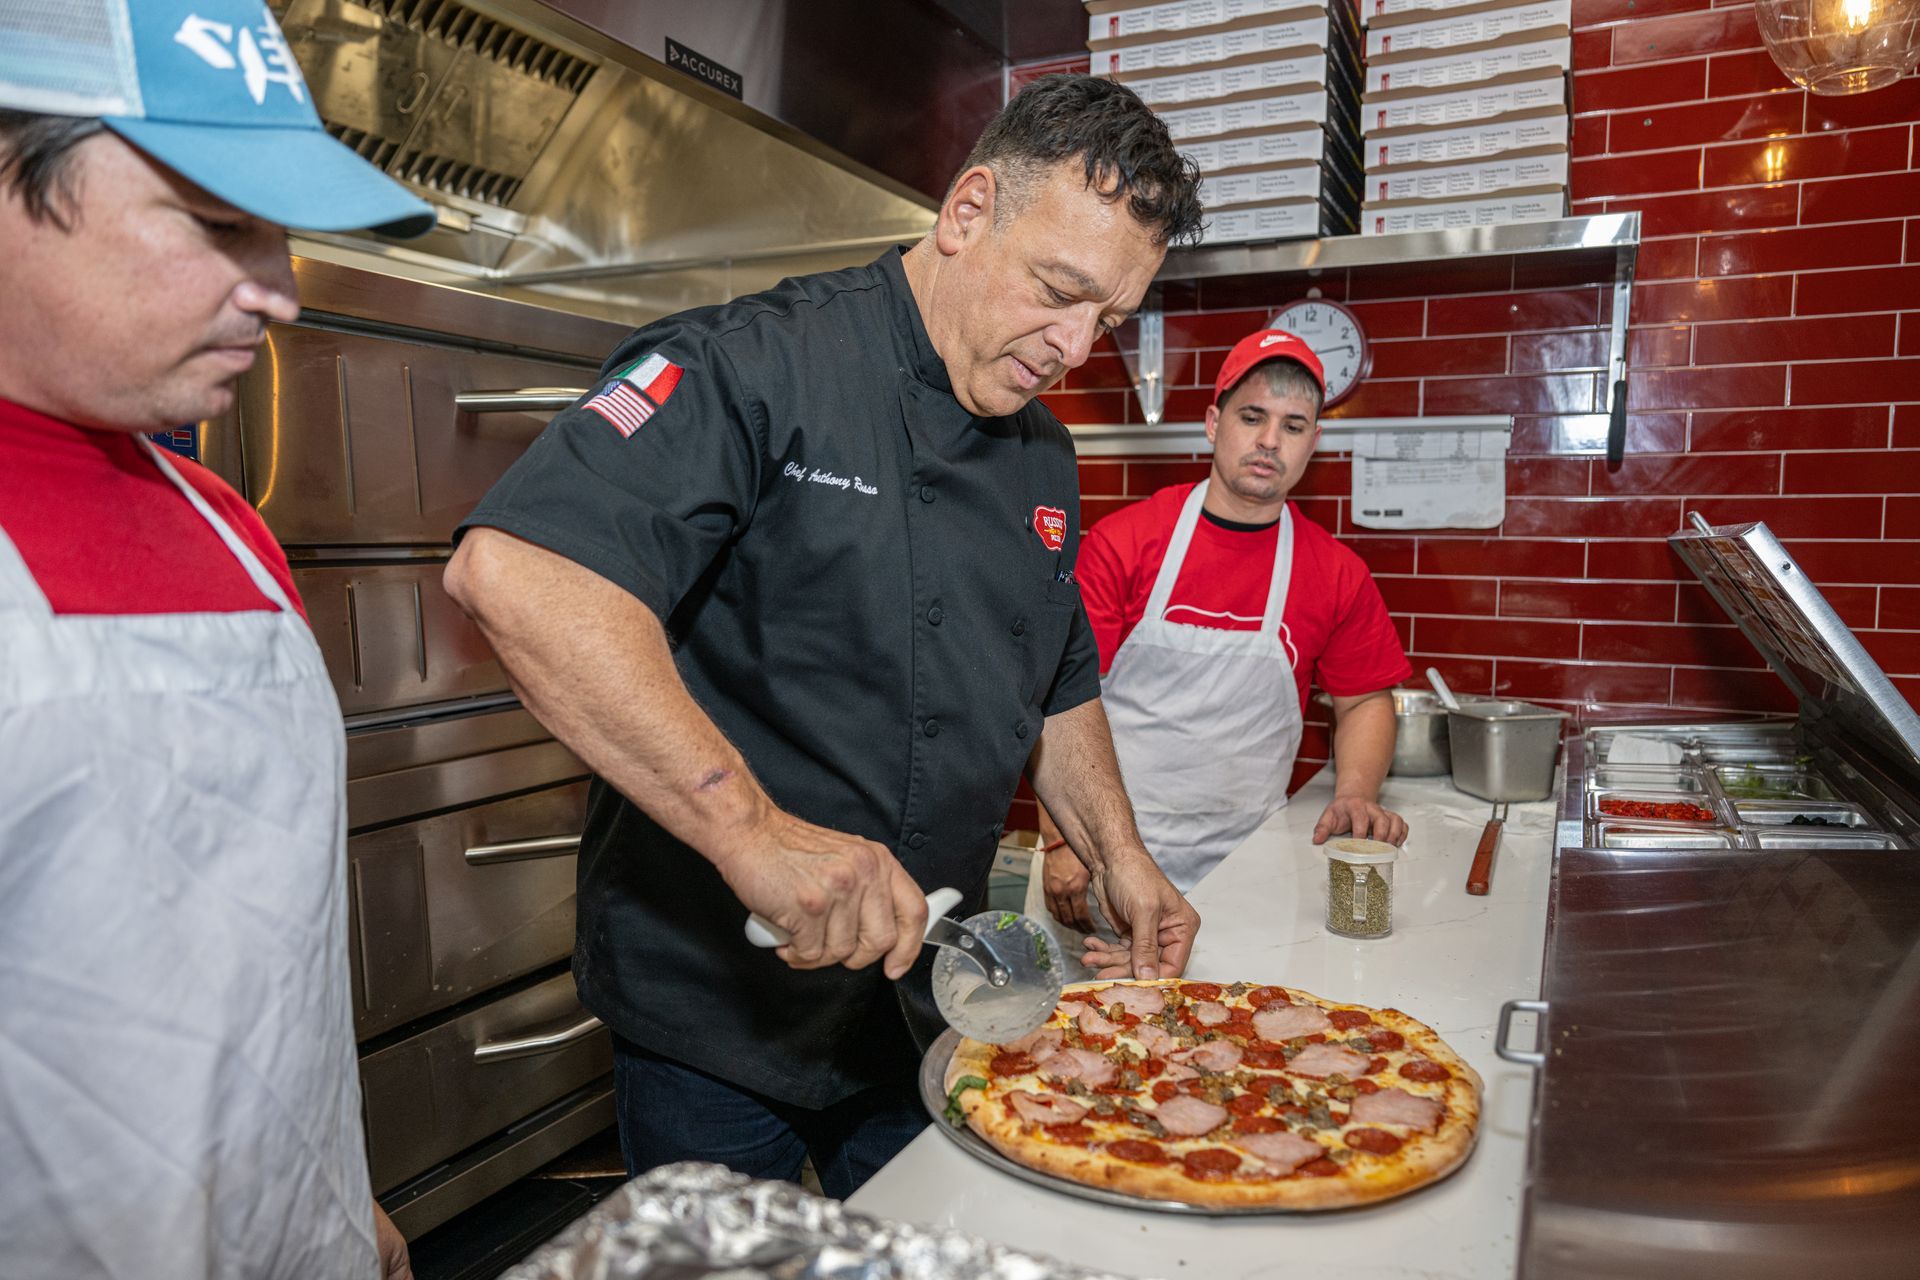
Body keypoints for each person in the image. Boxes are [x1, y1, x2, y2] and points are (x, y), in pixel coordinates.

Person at [443, 74, 1205, 1197]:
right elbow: (518, 570)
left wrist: (1120, 852)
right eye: (1059, 289)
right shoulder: (753, 365)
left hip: (923, 998)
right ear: (967, 211)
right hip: (715, 1006)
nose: (1076, 345)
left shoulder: (1045, 456)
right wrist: (753, 829)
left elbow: (1054, 669)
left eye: (1108, 318)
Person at [0, 2, 436, 1277]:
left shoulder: (226, 524)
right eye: (219, 224)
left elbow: (246, 960)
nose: (282, 292)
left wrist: (331, 1199)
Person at [1034, 329, 1413, 938]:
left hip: (1250, 872)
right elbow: (1052, 694)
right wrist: (1060, 841)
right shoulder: (1127, 543)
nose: (1269, 441)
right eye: (1253, 417)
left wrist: (1356, 792)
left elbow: (1365, 698)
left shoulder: (1336, 572)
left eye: (1293, 426)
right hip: (1100, 861)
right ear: (1214, 423)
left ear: (1314, 443)